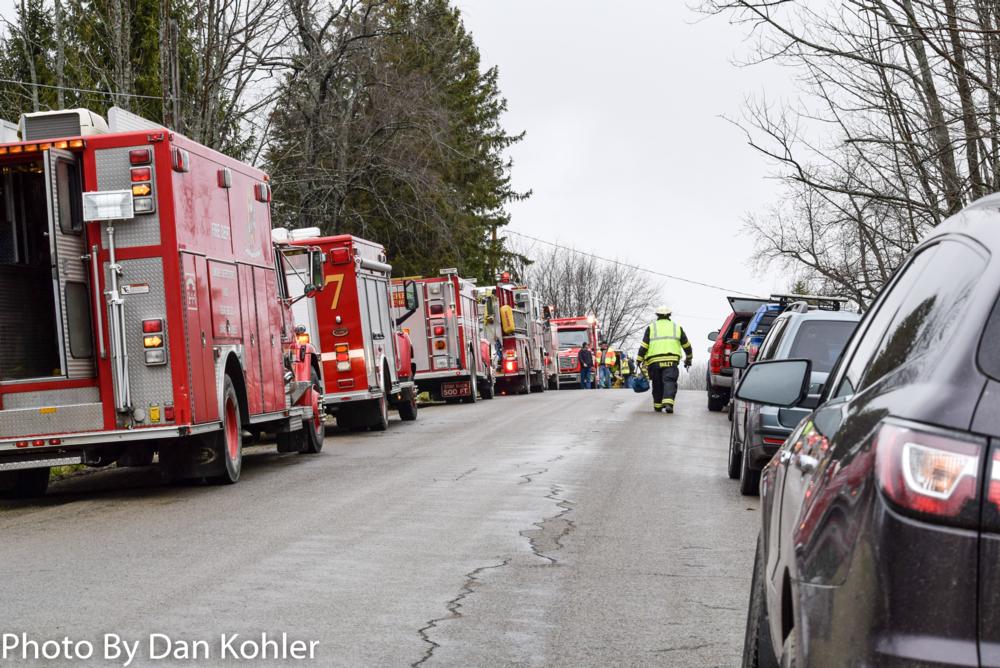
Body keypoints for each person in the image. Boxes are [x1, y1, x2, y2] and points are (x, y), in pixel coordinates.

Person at [636, 304, 693, 413]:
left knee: (657, 383)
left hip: (654, 361)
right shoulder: (677, 327)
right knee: (669, 381)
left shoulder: (651, 327)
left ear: (657, 315)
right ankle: (668, 403)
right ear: (669, 315)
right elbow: (687, 345)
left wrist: (639, 359)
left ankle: (657, 405)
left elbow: (644, 346)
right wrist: (689, 358)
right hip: (671, 360)